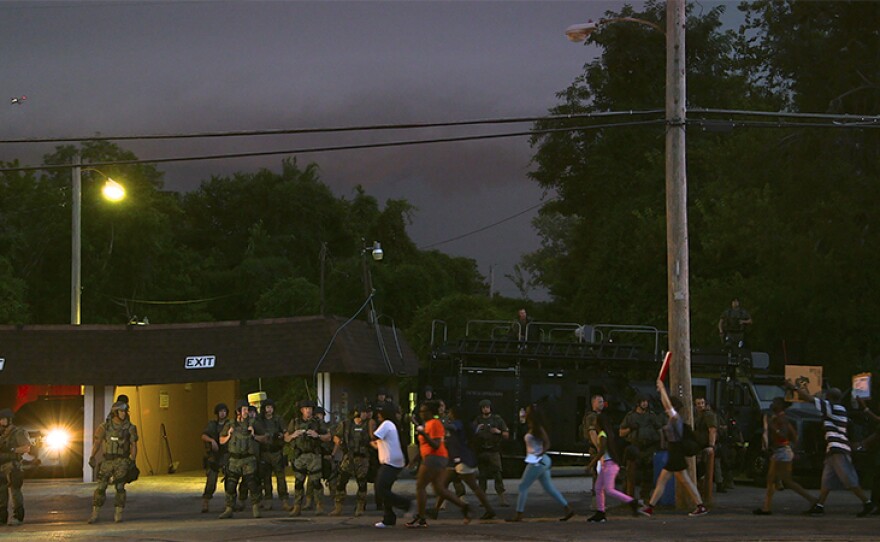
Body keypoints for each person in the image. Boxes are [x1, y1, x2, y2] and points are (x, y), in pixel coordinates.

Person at [786, 380, 876, 517]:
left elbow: (809, 399)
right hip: (833, 450)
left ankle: (868, 503)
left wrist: (794, 387)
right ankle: (820, 505)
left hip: (838, 449)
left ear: (829, 397)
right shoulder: (839, 409)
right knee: (826, 480)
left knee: (849, 479)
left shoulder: (832, 407)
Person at [639, 379, 708, 518]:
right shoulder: (674, 420)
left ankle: (651, 507)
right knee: (678, 480)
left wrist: (662, 389)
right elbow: (667, 405)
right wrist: (661, 390)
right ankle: (651, 507)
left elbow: (667, 405)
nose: (665, 409)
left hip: (675, 452)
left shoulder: (675, 418)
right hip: (674, 452)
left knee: (669, 480)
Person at [405, 399, 471, 528]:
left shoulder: (435, 424)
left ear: (430, 412)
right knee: (439, 489)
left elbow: (435, 444)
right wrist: (415, 459)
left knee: (420, 486)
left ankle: (421, 517)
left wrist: (423, 433)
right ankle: (464, 507)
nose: (421, 413)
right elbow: (425, 445)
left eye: (423, 411)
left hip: (434, 457)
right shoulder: (429, 423)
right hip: (435, 457)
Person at [506, 404, 574, 522]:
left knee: (523, 486)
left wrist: (539, 453)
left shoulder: (537, 428)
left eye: (527, 411)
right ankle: (567, 508)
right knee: (548, 487)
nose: (525, 413)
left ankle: (519, 513)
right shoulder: (532, 426)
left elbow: (547, 443)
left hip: (537, 461)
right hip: (541, 460)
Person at [753, 397, 817, 515]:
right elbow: (795, 436)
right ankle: (766, 508)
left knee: (787, 481)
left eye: (774, 403)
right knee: (771, 479)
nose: (772, 404)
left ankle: (813, 499)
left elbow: (783, 435)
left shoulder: (780, 419)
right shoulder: (781, 418)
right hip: (781, 451)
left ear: (780, 406)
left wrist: (772, 427)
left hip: (782, 452)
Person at [433, 404, 496, 520]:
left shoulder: (458, 424)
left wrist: (437, 423)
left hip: (461, 459)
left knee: (473, 486)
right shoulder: (467, 425)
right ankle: (435, 510)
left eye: (450, 413)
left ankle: (489, 509)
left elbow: (452, 427)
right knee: (443, 486)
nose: (449, 415)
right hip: (457, 459)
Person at [88, 401, 139, 524]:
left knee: (120, 487)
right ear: (115, 412)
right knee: (100, 487)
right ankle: (95, 514)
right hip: (108, 460)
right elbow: (97, 443)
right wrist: (92, 456)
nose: (123, 414)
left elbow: (133, 444)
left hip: (122, 460)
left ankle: (118, 514)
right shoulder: (104, 427)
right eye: (121, 411)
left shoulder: (130, 428)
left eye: (125, 411)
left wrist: (132, 460)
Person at [586, 413, 640, 522]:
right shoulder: (607, 434)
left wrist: (591, 464)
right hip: (608, 464)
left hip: (609, 465)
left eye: (596, 422)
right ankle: (600, 512)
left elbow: (601, 452)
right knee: (598, 488)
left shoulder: (602, 435)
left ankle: (631, 502)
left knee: (609, 490)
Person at [218, 400, 266, 519]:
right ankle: (229, 508)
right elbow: (221, 440)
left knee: (252, 483)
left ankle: (255, 507)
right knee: (230, 484)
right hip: (234, 459)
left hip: (248, 459)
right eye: (244, 409)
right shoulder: (230, 424)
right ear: (238, 411)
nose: (246, 412)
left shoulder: (253, 423)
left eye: (247, 409)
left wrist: (254, 435)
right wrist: (229, 435)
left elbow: (265, 438)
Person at [285, 399, 331, 516]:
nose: (308, 411)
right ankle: (297, 507)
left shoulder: (318, 422)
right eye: (306, 409)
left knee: (316, 482)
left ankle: (319, 505)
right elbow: (286, 438)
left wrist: (318, 435)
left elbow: (328, 437)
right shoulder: (295, 422)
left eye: (310, 409)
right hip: (300, 455)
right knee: (298, 482)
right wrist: (293, 435)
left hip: (313, 455)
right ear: (301, 410)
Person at [372, 403, 412, 528]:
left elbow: (374, 436)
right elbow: (379, 443)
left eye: (380, 413)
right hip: (393, 462)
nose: (378, 416)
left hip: (390, 463)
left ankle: (407, 505)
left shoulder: (387, 424)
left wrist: (370, 426)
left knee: (380, 489)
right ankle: (389, 518)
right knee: (384, 489)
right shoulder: (392, 425)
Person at [332, 403, 373, 517]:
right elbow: (336, 436)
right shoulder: (346, 424)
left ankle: (360, 506)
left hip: (362, 457)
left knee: (362, 482)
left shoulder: (368, 425)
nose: (366, 414)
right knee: (341, 482)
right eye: (364, 412)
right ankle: (338, 506)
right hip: (349, 456)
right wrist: (340, 444)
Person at [619, 394, 662, 499]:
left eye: (646, 401)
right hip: (635, 447)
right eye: (643, 401)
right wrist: (630, 429)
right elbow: (621, 433)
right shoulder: (630, 416)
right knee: (630, 473)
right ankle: (628, 497)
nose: (645, 403)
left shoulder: (651, 415)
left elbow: (660, 429)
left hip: (649, 447)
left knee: (648, 474)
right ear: (638, 403)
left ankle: (645, 496)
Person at [473, 398, 510, 507]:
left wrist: (498, 432)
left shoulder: (497, 419)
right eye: (484, 407)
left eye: (487, 407)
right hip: (482, 450)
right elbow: (471, 434)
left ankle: (502, 498)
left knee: (497, 474)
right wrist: (476, 430)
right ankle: (482, 499)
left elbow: (506, 434)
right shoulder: (478, 420)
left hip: (493, 450)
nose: (485, 409)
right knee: (482, 476)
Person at [0, 408, 30, 526]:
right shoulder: (2, 433)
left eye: (2, 419)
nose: (0, 422)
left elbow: (26, 448)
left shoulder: (18, 432)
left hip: (12, 466)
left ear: (9, 420)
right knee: (1, 493)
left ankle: (18, 516)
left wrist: (12, 449)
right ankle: (2, 517)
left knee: (15, 492)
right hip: (1, 466)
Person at [258, 399, 289, 511]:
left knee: (281, 477)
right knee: (266, 478)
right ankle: (268, 499)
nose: (269, 410)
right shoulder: (260, 421)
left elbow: (285, 433)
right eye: (267, 407)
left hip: (276, 451)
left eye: (271, 407)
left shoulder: (278, 419)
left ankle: (284, 499)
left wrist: (282, 436)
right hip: (265, 452)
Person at [200, 402, 230, 513]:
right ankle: (206, 501)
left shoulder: (229, 424)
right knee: (211, 480)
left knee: (230, 480)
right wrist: (212, 440)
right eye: (220, 411)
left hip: (226, 454)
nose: (222, 413)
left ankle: (229, 503)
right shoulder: (212, 425)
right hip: (214, 455)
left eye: (224, 411)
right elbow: (203, 435)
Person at [694, 397, 721, 495]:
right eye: (698, 403)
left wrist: (711, 445)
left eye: (702, 403)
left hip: (706, 445)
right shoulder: (698, 415)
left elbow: (712, 430)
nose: (700, 405)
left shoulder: (708, 415)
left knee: (704, 468)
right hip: (699, 445)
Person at [582, 394, 604, 493]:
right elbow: (592, 433)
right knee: (597, 472)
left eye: (602, 402)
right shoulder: (592, 417)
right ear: (593, 403)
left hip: (602, 448)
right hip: (596, 448)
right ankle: (597, 496)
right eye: (599, 402)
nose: (602, 404)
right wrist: (599, 448)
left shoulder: (601, 416)